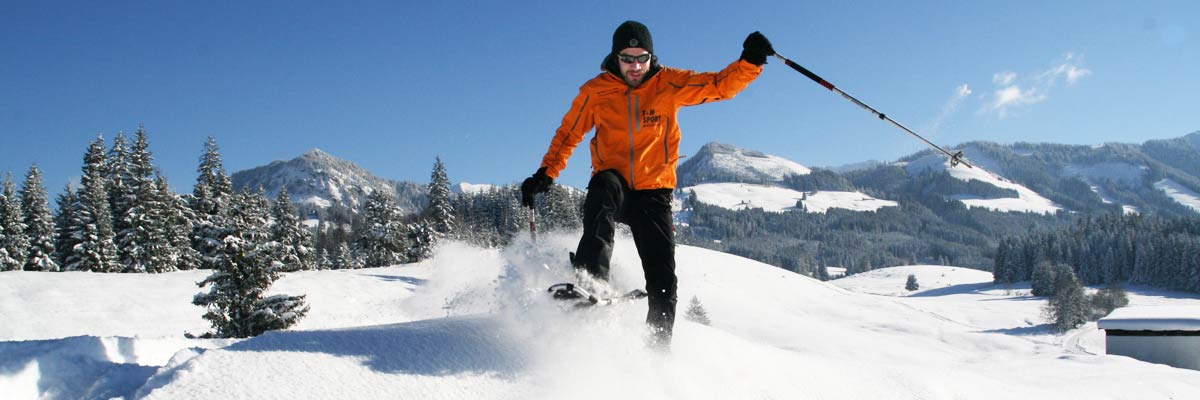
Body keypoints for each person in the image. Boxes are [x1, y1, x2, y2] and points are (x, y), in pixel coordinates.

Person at [521, 20, 774, 348]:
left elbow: (717, 85)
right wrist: (547, 172)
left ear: (651, 57)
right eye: (627, 59)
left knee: (664, 282)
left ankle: (657, 353)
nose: (635, 66)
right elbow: (569, 133)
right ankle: (591, 279)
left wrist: (750, 63)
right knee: (603, 190)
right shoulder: (596, 91)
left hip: (655, 193)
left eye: (642, 58)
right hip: (617, 185)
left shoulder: (669, 83)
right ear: (615, 58)